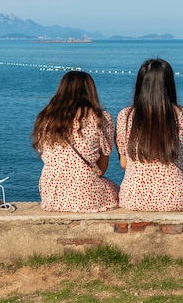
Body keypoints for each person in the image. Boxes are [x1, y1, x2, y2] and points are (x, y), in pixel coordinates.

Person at [116, 59, 183, 211]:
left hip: (133, 198)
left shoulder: (126, 116)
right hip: (176, 198)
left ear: (140, 84)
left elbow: (124, 164)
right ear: (169, 84)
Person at [32, 71, 119, 213]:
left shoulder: (45, 119)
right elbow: (102, 167)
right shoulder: (101, 119)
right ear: (91, 91)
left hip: (51, 193)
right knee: (116, 191)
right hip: (83, 192)